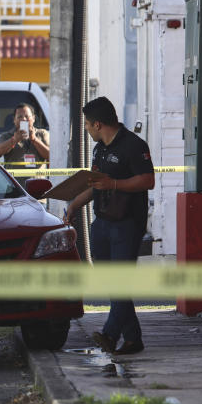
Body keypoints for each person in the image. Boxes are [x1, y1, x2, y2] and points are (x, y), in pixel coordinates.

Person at [66, 96, 155, 355]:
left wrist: (115, 184)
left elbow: (148, 180)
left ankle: (109, 334)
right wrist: (74, 205)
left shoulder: (133, 145)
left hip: (127, 224)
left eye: (86, 124)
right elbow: (95, 185)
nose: (85, 128)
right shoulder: (99, 149)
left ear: (97, 124)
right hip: (102, 222)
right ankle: (133, 339)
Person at [0, 103, 51, 183]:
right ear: (14, 120)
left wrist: (35, 140)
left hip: (39, 185)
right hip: (16, 187)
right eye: (20, 117)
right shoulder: (7, 136)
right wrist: (14, 140)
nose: (24, 119)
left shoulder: (42, 134)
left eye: (27, 116)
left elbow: (51, 156)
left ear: (33, 118)